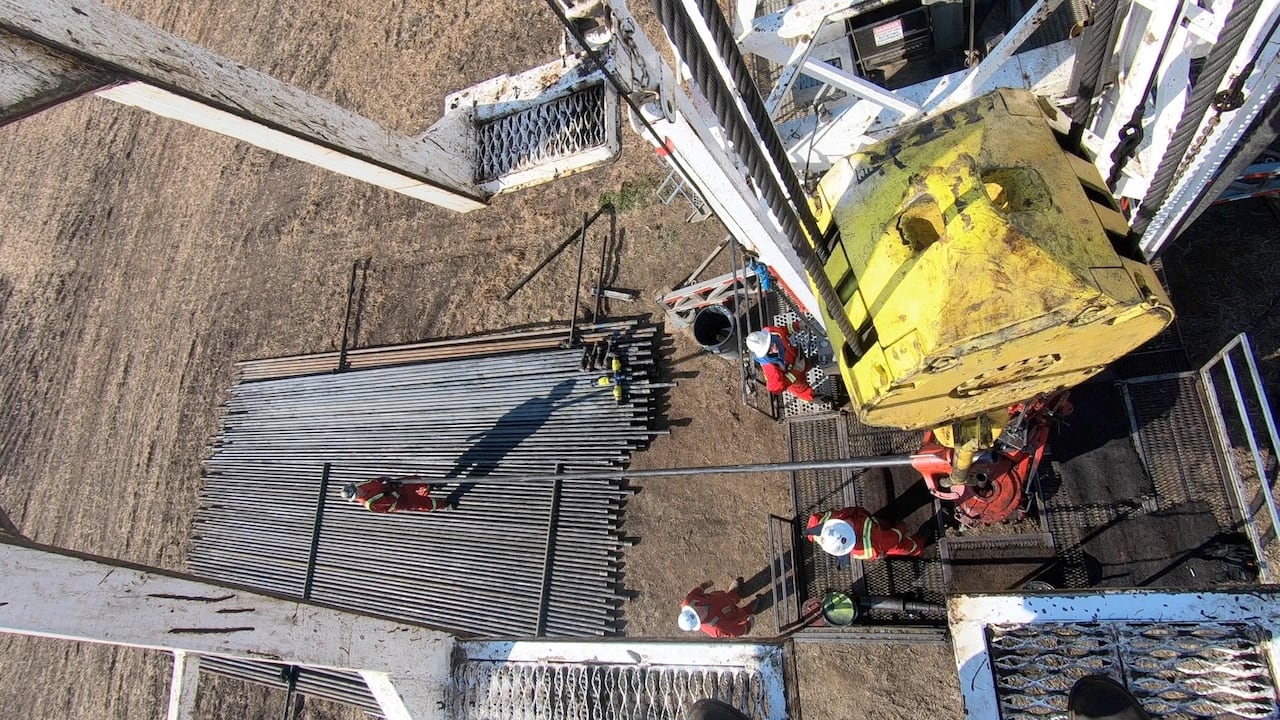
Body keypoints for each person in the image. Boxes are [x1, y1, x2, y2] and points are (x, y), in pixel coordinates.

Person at [804, 506, 924, 565]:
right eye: (847, 526)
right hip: (883, 539)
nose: (848, 522)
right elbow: (893, 538)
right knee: (906, 548)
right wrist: (901, 528)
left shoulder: (817, 526)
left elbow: (812, 526)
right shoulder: (873, 545)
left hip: (872, 521)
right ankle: (920, 544)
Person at [745, 323, 816, 402]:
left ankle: (809, 364)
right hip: (794, 377)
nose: (774, 348)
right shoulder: (770, 367)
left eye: (771, 343)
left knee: (806, 363)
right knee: (802, 389)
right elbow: (776, 388)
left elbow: (785, 329)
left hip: (796, 357)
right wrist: (796, 371)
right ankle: (810, 398)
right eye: (769, 350)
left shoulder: (771, 331)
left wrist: (798, 325)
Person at [678, 580, 756, 638]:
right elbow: (734, 631)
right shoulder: (716, 628)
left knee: (729, 597)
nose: (699, 611)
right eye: (698, 616)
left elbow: (697, 591)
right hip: (731, 613)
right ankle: (749, 609)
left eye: (694, 610)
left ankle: (734, 594)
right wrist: (748, 626)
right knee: (740, 614)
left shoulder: (689, 600)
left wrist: (705, 585)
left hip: (720, 598)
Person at [341, 476, 449, 514]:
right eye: (357, 493)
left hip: (393, 487)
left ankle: (427, 487)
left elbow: (373, 481)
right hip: (399, 501)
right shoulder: (371, 503)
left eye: (357, 489)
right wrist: (395, 490)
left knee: (414, 480)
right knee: (423, 503)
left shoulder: (359, 484)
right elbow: (391, 500)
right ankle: (445, 505)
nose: (359, 490)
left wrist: (383, 479)